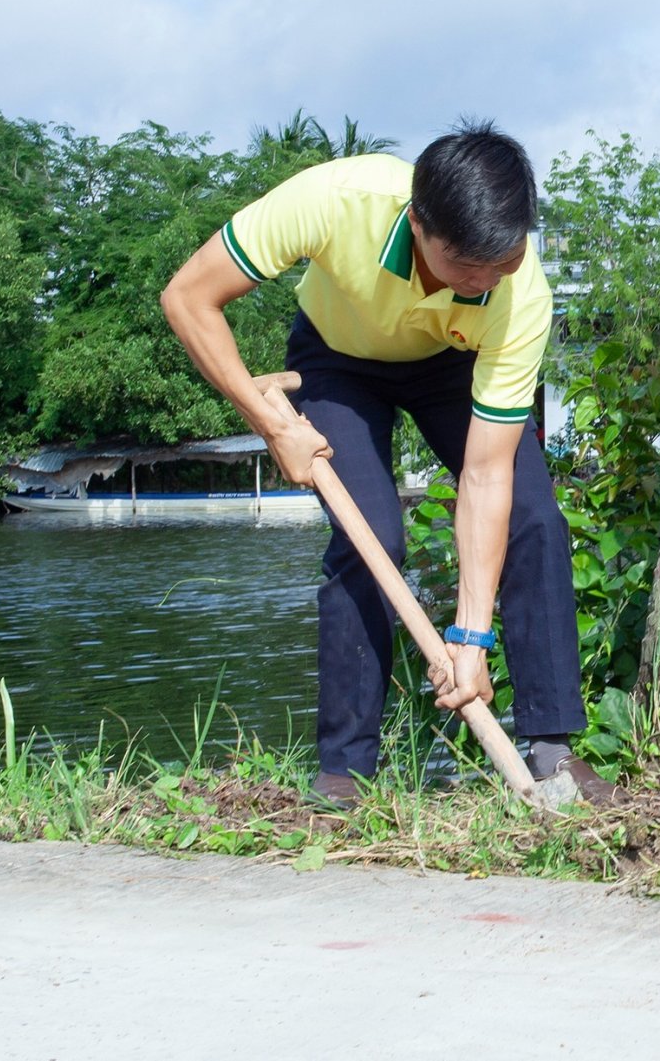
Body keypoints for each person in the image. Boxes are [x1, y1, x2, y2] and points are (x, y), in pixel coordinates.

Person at [161, 121, 608, 807]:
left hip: (452, 364)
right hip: (340, 359)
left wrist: (470, 638)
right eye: (468, 267)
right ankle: (345, 774)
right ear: (418, 223)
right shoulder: (339, 200)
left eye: (505, 260)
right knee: (370, 534)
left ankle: (550, 752)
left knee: (532, 512)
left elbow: (487, 475)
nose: (488, 279)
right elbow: (188, 296)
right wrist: (268, 422)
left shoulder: (521, 296)